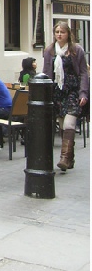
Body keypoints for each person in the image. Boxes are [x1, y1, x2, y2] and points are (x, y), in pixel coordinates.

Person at [43, 21, 89, 172]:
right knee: (63, 126)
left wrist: (83, 93)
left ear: (68, 34)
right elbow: (46, 73)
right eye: (57, 32)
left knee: (69, 124)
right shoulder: (50, 51)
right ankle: (70, 158)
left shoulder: (77, 50)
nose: (59, 35)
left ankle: (64, 157)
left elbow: (83, 73)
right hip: (57, 92)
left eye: (62, 32)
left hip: (73, 91)